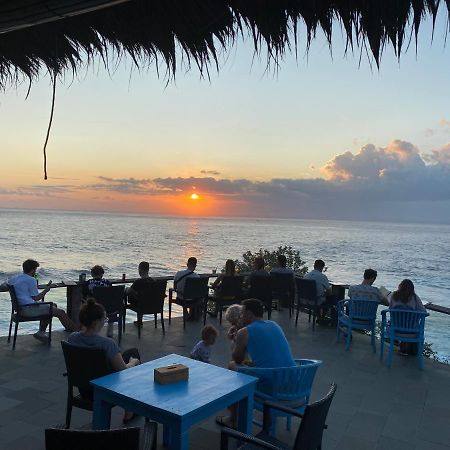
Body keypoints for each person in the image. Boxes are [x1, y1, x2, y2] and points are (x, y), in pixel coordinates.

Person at [216, 298, 295, 428]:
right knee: (251, 366)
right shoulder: (274, 325)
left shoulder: (244, 332)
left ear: (249, 314)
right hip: (292, 383)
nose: (240, 317)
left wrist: (235, 340)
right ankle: (263, 415)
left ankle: (233, 418)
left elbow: (237, 359)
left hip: (273, 387)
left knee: (232, 366)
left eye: (242, 313)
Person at [68, 297, 140, 423]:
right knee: (133, 355)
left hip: (84, 388)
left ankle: (130, 409)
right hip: (104, 389)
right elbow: (123, 371)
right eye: (104, 319)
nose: (105, 322)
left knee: (128, 353)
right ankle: (129, 410)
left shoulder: (72, 338)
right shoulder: (107, 344)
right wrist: (133, 363)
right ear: (96, 323)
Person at [8, 259, 79, 342]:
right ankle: (76, 333)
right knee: (61, 312)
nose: (35, 272)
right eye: (35, 270)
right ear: (32, 270)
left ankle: (41, 332)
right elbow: (36, 298)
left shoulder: (14, 278)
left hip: (20, 308)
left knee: (53, 306)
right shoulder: (31, 280)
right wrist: (46, 290)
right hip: (29, 309)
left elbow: (4, 285)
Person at [388, 279, 426, 356]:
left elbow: (390, 309)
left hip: (395, 330)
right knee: (415, 326)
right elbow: (424, 312)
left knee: (395, 322)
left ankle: (403, 348)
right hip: (411, 332)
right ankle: (410, 350)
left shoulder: (394, 296)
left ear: (400, 286)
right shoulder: (415, 298)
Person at [83, 265, 113, 336]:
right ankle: (110, 330)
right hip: (107, 308)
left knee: (83, 303)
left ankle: (87, 329)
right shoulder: (108, 283)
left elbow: (84, 295)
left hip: (94, 308)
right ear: (102, 274)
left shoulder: (88, 283)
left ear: (92, 274)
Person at [126, 261, 154, 326]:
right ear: (148, 270)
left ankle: (138, 321)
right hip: (152, 305)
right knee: (142, 297)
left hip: (140, 305)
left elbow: (129, 292)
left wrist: (125, 289)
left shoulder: (138, 282)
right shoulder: (153, 281)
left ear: (140, 270)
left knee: (136, 296)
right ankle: (139, 320)